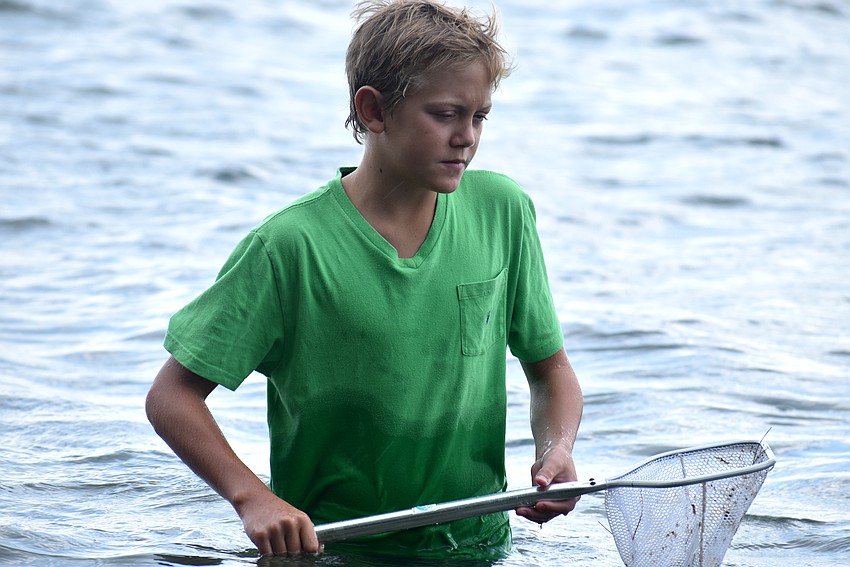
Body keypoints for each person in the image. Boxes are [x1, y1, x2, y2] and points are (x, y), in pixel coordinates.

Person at [145, 0, 582, 560]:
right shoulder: (291, 247)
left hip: (480, 546)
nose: (467, 137)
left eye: (480, 117)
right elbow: (172, 396)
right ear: (373, 110)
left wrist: (557, 449)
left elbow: (551, 371)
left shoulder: (503, 211)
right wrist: (254, 499)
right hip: (336, 552)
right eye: (445, 114)